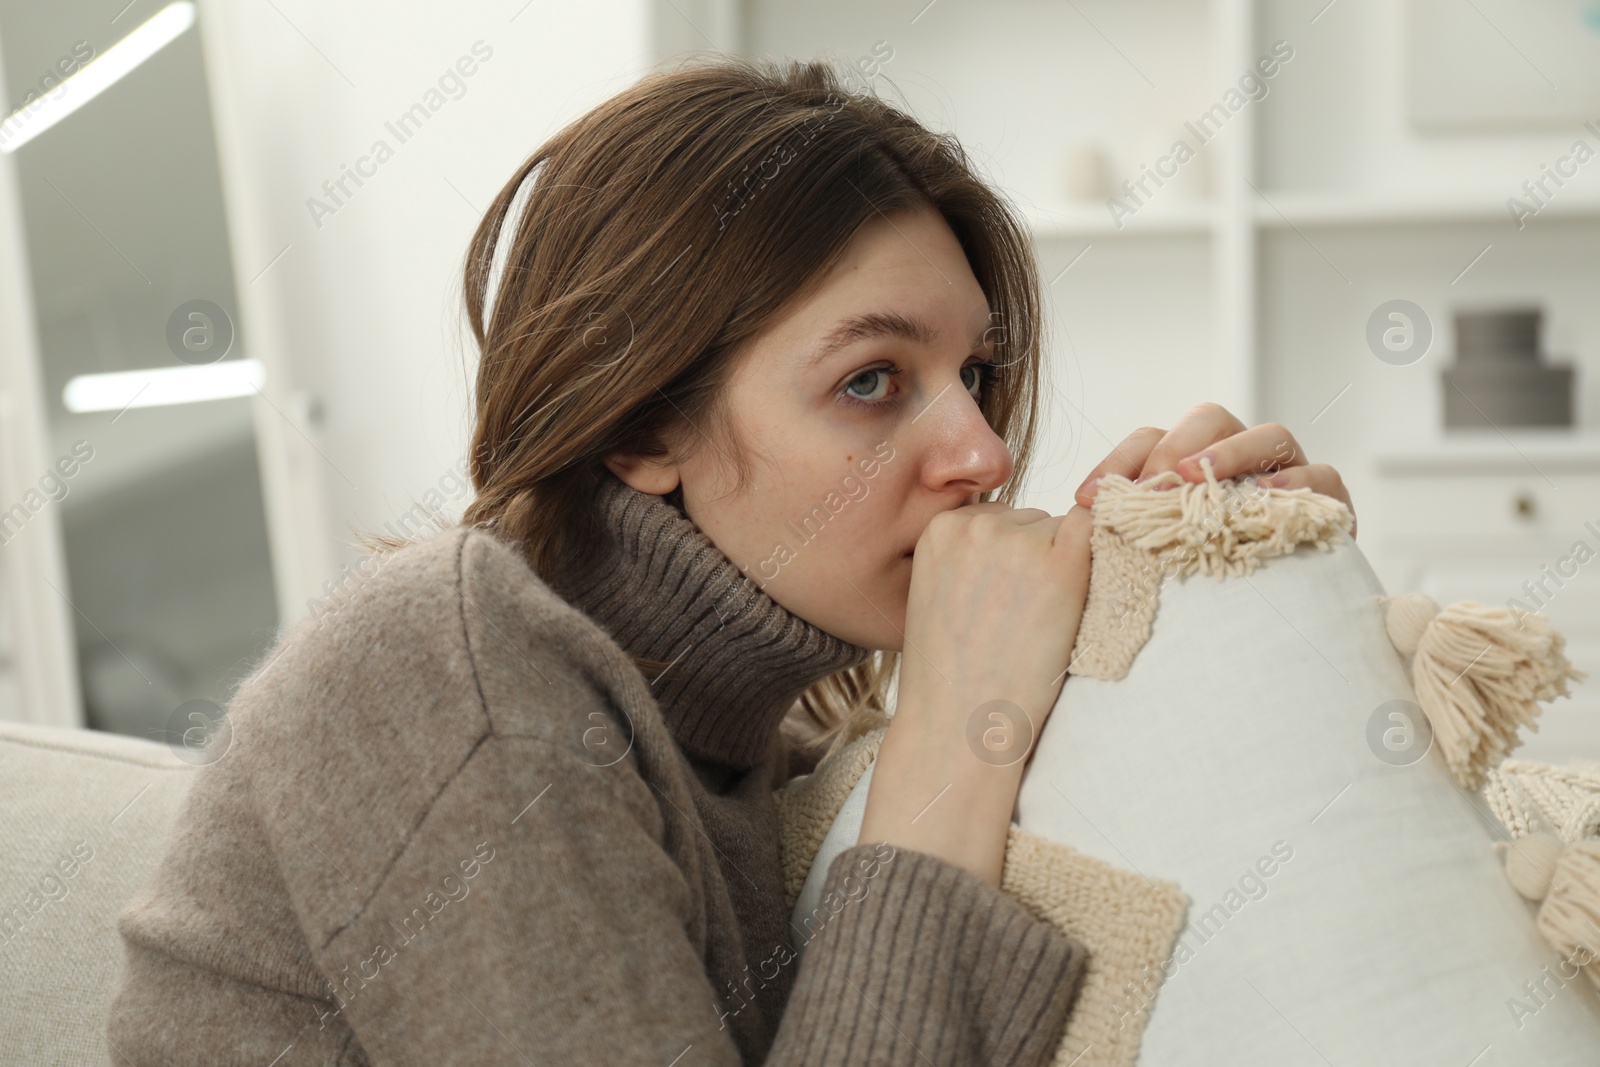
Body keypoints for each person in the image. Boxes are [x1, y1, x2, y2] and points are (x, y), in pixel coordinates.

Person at [104, 55, 1353, 1065]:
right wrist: (949, 744)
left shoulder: (754, 757)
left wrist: (1183, 588)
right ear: (645, 423)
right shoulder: (446, 664)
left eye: (972, 373)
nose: (980, 451)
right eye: (871, 381)